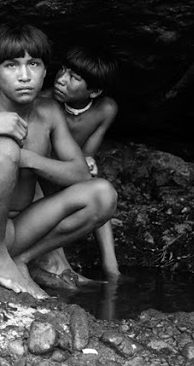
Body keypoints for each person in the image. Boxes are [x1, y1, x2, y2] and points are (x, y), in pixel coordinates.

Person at [0, 25, 118, 299]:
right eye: (12, 65)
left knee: (103, 194)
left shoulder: (49, 112)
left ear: (45, 72)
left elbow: (80, 173)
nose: (24, 76)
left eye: (33, 64)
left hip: (16, 231)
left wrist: (28, 159)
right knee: (4, 145)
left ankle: (21, 260)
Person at [33, 45, 121, 287]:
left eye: (74, 77)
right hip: (42, 174)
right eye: (63, 70)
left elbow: (87, 155)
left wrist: (88, 164)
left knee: (98, 187)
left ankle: (112, 271)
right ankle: (60, 265)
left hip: (72, 172)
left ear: (94, 91)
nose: (61, 79)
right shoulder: (42, 102)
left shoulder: (106, 109)